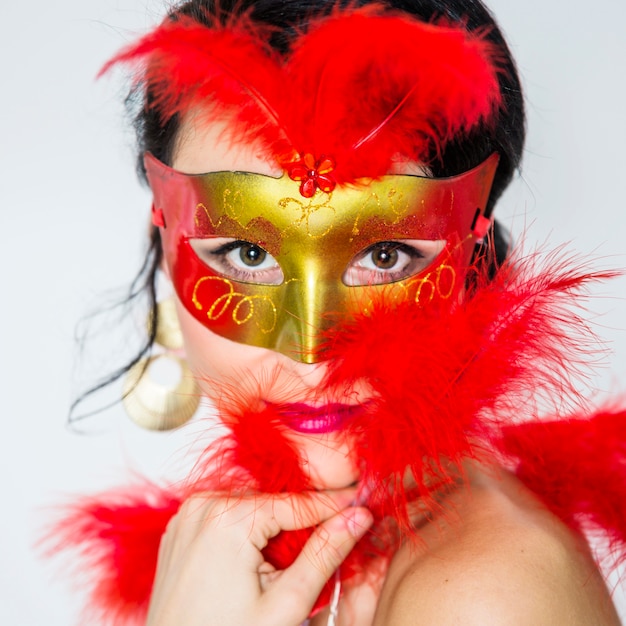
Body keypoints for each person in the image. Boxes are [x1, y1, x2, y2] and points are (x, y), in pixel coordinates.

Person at [49, 1, 626, 624]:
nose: (314, 354)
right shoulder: (246, 563)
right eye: (248, 251)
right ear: (164, 248)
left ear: (470, 259)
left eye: (383, 255)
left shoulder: (485, 594)